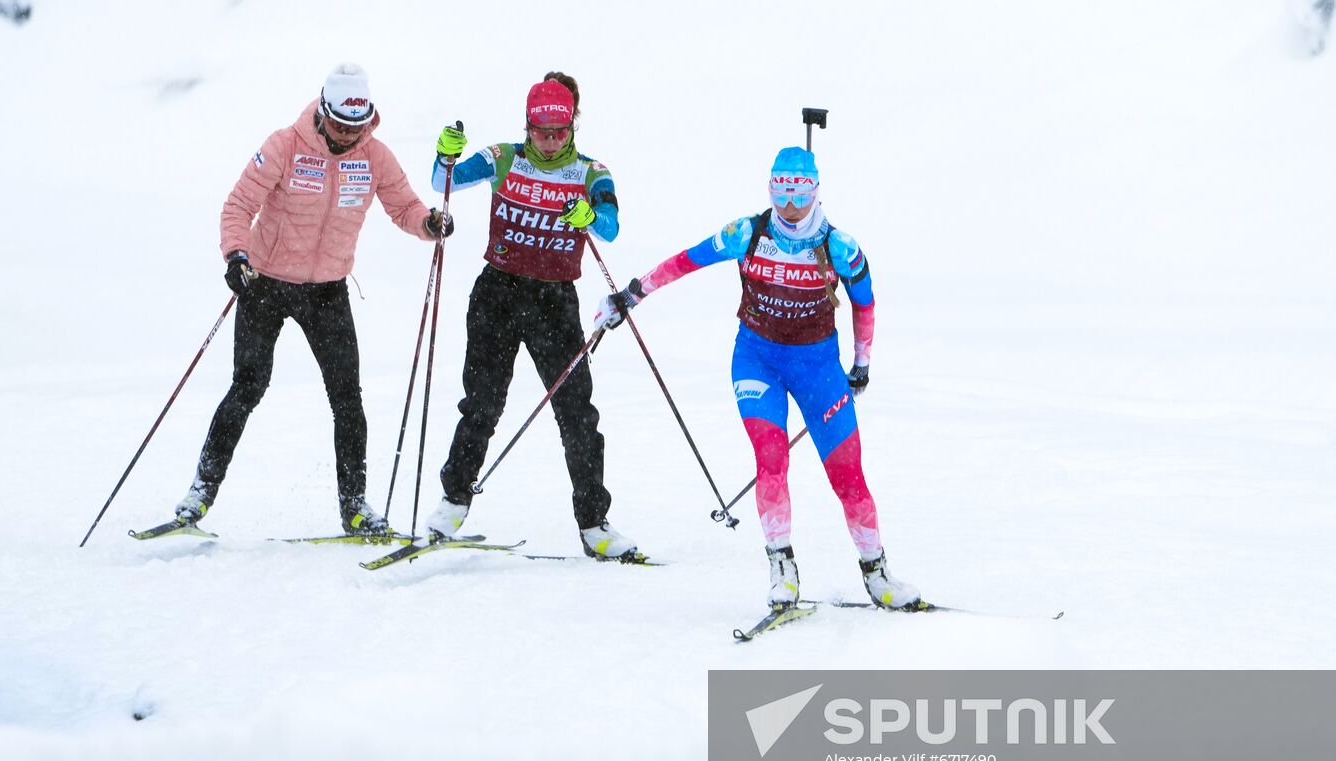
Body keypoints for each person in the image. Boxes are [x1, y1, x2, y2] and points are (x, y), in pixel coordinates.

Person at [595, 147, 928, 611]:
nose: (790, 204)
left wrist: (861, 364)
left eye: (800, 192)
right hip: (757, 361)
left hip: (818, 369)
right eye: (781, 191)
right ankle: (782, 569)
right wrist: (630, 294)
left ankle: (877, 574)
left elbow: (865, 302)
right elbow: (683, 262)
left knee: (848, 475)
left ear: (815, 190)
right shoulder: (746, 232)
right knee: (771, 460)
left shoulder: (840, 246)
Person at [173, 63, 454, 534]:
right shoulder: (283, 145)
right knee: (248, 386)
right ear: (323, 112)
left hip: (327, 291)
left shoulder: (376, 157)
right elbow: (238, 206)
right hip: (264, 282)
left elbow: (404, 207)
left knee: (347, 397)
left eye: (357, 126)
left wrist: (428, 224)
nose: (348, 135)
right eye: (341, 125)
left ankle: (356, 507)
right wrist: (235, 256)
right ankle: (199, 493)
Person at [423, 73, 641, 560]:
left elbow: (611, 228)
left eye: (558, 132)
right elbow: (443, 183)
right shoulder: (503, 158)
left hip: (553, 302)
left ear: (572, 126)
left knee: (577, 414)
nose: (548, 141)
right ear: (526, 126)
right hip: (497, 294)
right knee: (481, 404)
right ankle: (452, 503)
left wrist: (589, 217)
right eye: (540, 131)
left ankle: (594, 525)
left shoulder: (591, 172)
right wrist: (445, 154)